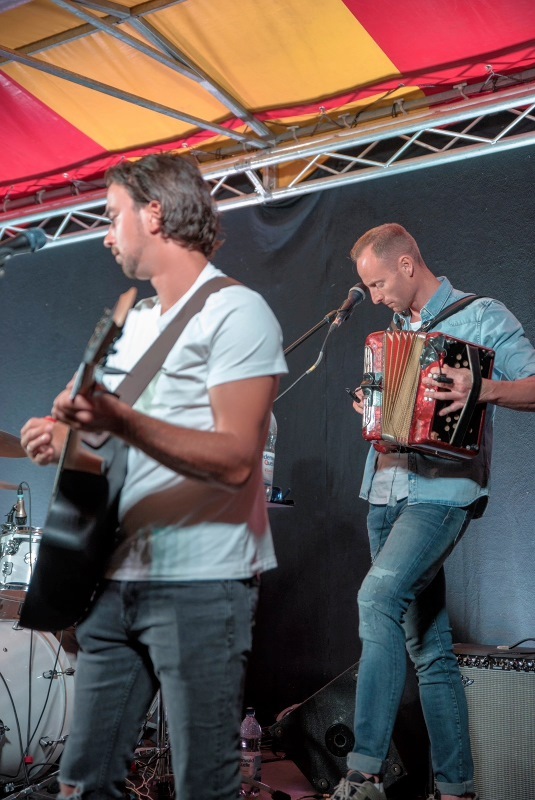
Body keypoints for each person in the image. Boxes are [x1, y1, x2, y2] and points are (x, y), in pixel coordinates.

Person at [20, 153, 287, 800]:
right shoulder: (132, 323)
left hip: (203, 583)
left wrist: (119, 420)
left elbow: (235, 458)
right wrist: (62, 437)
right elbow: (99, 433)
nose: (105, 236)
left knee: (204, 786)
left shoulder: (238, 312)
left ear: (155, 214)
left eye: (113, 216)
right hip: (117, 580)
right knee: (82, 783)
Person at [330, 223, 535, 800]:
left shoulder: (482, 315)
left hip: (441, 493)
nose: (375, 297)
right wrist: (373, 409)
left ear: (406, 265)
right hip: (384, 491)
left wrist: (483, 388)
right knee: (429, 647)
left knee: (377, 598)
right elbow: (396, 410)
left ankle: (364, 773)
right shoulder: (393, 333)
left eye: (378, 284)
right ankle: (456, 787)